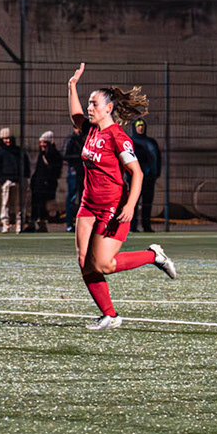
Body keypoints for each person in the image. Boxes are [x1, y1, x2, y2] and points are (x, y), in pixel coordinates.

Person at [66, 64, 178, 329]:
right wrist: (71, 86)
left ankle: (154, 256)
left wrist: (130, 205)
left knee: (103, 264)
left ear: (108, 108)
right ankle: (110, 316)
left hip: (112, 208)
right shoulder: (91, 129)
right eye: (89, 103)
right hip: (88, 205)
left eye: (94, 104)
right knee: (84, 262)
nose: (89, 108)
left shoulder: (118, 137)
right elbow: (75, 116)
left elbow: (136, 174)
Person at [129, 118, 163, 231]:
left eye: (142, 125)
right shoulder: (130, 142)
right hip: (134, 178)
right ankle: (132, 226)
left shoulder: (151, 142)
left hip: (149, 178)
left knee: (147, 202)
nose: (140, 128)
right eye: (138, 125)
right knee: (133, 201)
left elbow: (157, 159)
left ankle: (146, 225)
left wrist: (155, 173)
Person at [0, 127, 26, 233]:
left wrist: (24, 177)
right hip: (6, 181)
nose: (8, 141)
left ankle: (19, 224)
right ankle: (5, 225)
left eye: (9, 138)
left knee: (19, 204)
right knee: (5, 204)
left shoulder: (18, 151)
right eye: (5, 139)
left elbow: (25, 165)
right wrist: (2, 180)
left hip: (19, 180)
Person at [29, 129, 63, 233]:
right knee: (36, 203)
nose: (42, 145)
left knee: (44, 205)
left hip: (48, 184)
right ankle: (35, 223)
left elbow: (56, 171)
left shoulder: (54, 155)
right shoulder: (41, 155)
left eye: (44, 143)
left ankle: (42, 222)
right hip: (38, 184)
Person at [63, 111, 90, 233]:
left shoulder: (85, 138)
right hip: (74, 172)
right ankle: (69, 223)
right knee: (72, 198)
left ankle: (81, 223)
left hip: (83, 172)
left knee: (83, 199)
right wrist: (80, 157)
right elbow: (65, 155)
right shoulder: (72, 140)